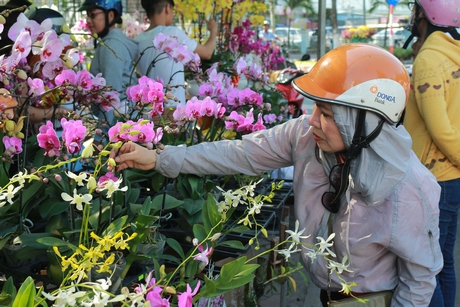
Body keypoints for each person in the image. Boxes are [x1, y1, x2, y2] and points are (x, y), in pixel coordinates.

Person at [111, 43, 442, 306]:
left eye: (327, 114)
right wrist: (160, 158)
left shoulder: (409, 190)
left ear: (364, 123)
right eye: (314, 108)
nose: (311, 120)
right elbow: (241, 153)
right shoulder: (304, 136)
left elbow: (420, 279)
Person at [403, 1, 460, 307]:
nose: (412, 18)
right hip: (451, 178)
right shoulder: (453, 53)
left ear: (424, 15)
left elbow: (441, 130)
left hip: (433, 179)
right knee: (443, 263)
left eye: (415, 11)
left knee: (425, 269)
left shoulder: (430, 58)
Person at [135, 0, 217, 108]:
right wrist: (214, 30)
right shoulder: (173, 33)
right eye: (173, 11)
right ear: (167, 8)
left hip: (147, 111)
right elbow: (207, 53)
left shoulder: (137, 41)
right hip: (173, 109)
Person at [78, 0, 138, 123]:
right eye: (87, 15)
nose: (88, 20)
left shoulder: (111, 45)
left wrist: (105, 137)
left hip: (117, 126)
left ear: (110, 16)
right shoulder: (110, 42)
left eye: (93, 15)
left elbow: (111, 95)